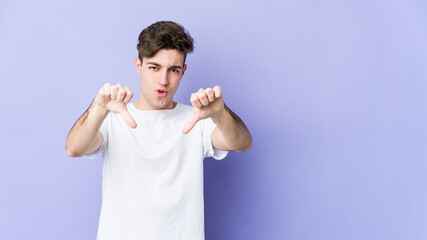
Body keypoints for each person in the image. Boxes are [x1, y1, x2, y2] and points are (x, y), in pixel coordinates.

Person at [65, 21, 252, 240]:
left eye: (173, 70)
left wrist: (220, 113)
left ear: (183, 71)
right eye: (154, 67)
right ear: (138, 66)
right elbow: (74, 148)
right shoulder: (112, 118)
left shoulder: (197, 119)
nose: (163, 81)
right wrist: (98, 108)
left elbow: (242, 142)